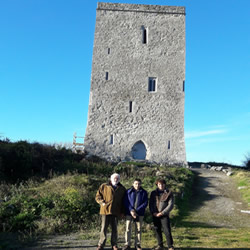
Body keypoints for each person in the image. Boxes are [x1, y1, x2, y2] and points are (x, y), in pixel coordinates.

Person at [95, 173, 126, 250]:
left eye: (117, 178)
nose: (116, 180)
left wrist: (123, 212)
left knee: (114, 229)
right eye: (114, 178)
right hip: (105, 210)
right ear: (111, 179)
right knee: (104, 228)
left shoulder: (122, 188)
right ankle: (101, 244)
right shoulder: (104, 186)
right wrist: (102, 202)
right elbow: (97, 196)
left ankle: (114, 245)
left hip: (116, 211)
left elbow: (124, 201)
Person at [123, 178, 148, 250]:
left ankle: (137, 244)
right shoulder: (128, 191)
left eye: (139, 184)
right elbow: (126, 202)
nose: (137, 185)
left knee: (138, 229)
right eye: (136, 183)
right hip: (129, 213)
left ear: (141, 184)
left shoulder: (144, 192)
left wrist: (136, 211)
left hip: (139, 213)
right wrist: (131, 210)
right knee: (128, 228)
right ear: (133, 184)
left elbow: (145, 203)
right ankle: (127, 244)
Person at [149, 179, 175, 250]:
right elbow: (151, 203)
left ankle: (170, 246)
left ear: (165, 184)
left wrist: (162, 213)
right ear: (157, 185)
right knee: (157, 230)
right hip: (155, 214)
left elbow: (171, 205)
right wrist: (153, 212)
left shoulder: (169, 193)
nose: (161, 186)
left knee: (167, 230)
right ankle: (160, 245)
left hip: (164, 215)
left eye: (162, 184)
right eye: (159, 184)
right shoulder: (153, 193)